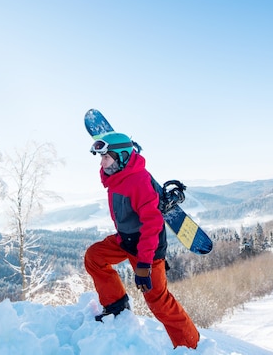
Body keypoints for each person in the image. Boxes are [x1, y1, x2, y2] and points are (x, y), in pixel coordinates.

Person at [84, 132, 200, 349]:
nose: (101, 163)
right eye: (101, 158)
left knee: (158, 302)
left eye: (105, 157)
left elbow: (153, 226)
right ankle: (116, 307)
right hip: (125, 241)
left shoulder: (138, 181)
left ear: (121, 157)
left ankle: (192, 347)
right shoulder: (116, 176)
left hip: (147, 247)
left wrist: (145, 264)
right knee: (95, 256)